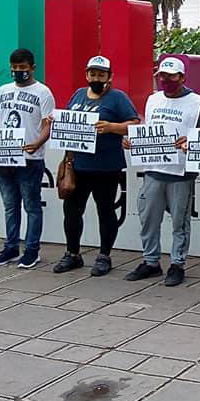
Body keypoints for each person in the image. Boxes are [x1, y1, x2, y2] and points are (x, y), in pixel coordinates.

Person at [125, 57, 200, 287]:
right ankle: (151, 261)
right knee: (148, 218)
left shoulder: (198, 103)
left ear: (182, 78)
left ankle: (177, 263)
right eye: (162, 75)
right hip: (153, 169)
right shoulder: (153, 100)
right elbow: (149, 130)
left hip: (181, 171)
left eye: (171, 76)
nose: (166, 80)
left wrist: (192, 141)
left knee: (179, 222)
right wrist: (135, 142)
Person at [53, 56, 139, 277]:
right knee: (72, 212)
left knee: (105, 211)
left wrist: (112, 126)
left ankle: (104, 256)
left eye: (101, 74)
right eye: (93, 74)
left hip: (106, 167)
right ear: (86, 75)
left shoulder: (118, 98)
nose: (96, 78)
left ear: (109, 76)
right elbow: (67, 122)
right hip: (78, 165)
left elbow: (134, 124)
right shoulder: (78, 95)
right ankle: (72, 253)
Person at [0, 48, 54, 269]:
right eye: (15, 68)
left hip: (30, 158)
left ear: (32, 68)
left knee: (32, 205)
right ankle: (10, 247)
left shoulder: (43, 92)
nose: (18, 72)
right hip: (4, 158)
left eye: (23, 68)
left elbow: (48, 124)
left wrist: (38, 142)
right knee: (10, 205)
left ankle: (32, 249)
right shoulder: (2, 90)